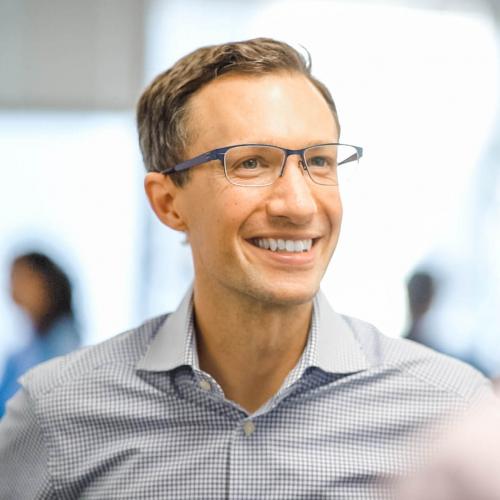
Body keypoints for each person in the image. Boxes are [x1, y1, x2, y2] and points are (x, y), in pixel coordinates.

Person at [0, 38, 495, 499]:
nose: (299, 205)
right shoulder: (57, 413)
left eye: (319, 162)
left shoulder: (453, 410)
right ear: (168, 202)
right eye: (251, 163)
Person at [0, 251, 80, 417]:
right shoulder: (23, 350)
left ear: (46, 283)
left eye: (22, 278)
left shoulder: (63, 343)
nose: (13, 287)